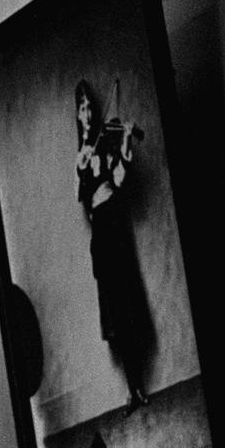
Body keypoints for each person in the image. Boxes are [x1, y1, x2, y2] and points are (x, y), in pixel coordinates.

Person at [75, 79, 155, 413]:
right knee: (114, 314)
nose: (87, 112)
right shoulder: (83, 151)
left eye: (90, 105)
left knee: (127, 308)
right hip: (100, 237)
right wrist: (87, 161)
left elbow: (119, 182)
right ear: (77, 115)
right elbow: (82, 192)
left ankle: (138, 387)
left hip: (115, 227)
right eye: (81, 108)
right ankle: (132, 388)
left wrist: (124, 139)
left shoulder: (105, 144)